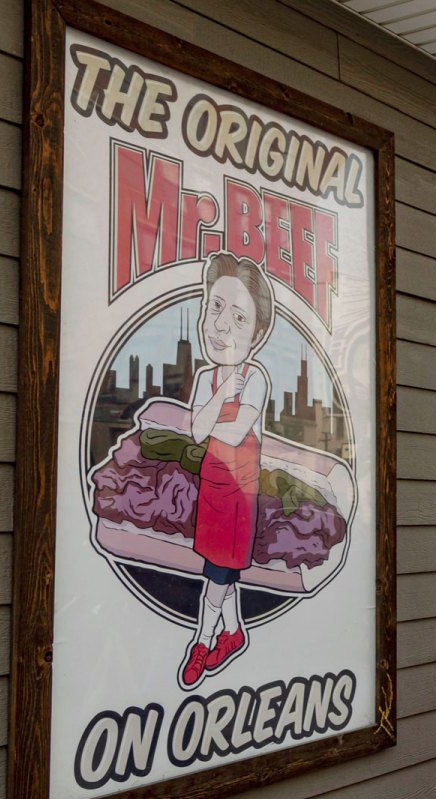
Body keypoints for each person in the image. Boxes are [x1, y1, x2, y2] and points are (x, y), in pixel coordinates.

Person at [180, 253, 275, 690]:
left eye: (238, 318)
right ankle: (235, 633)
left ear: (257, 334)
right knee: (224, 571)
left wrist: (211, 414)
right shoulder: (206, 379)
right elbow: (198, 431)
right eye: (215, 308)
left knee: (216, 578)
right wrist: (220, 397)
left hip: (239, 496)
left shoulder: (257, 378)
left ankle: (204, 641)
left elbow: (235, 435)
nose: (221, 326)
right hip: (211, 491)